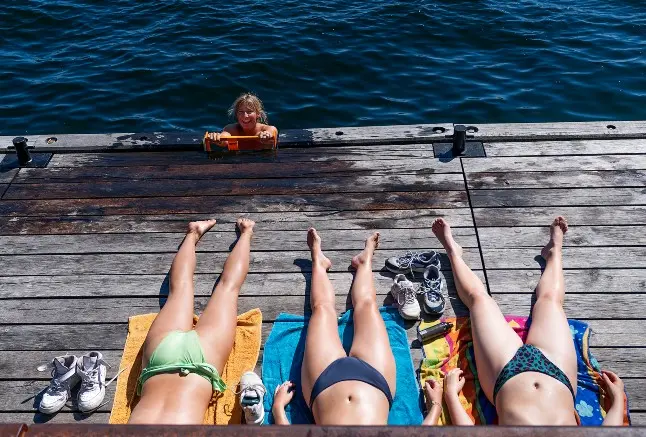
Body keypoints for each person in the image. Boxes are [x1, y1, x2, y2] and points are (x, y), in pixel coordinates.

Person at [429, 216, 626, 426]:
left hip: (504, 375)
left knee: (479, 300)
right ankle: (554, 252)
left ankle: (453, 253)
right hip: (558, 373)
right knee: (550, 300)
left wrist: (450, 395)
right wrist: (617, 400)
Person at [128, 218, 255, 424]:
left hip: (201, 365)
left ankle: (247, 232)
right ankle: (193, 233)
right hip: (160, 359)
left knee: (228, 289)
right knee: (180, 289)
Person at [271, 229, 397, 425]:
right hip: (376, 381)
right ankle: (364, 262)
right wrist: (436, 404)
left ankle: (319, 263)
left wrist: (278, 409)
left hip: (323, 384)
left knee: (322, 309)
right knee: (367, 305)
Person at [205, 92, 278, 147]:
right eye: (241, 112)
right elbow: (224, 138)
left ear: (258, 114)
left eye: (249, 112)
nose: (245, 116)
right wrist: (218, 138)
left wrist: (266, 135)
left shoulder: (268, 129)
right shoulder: (230, 129)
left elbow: (271, 132)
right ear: (236, 114)